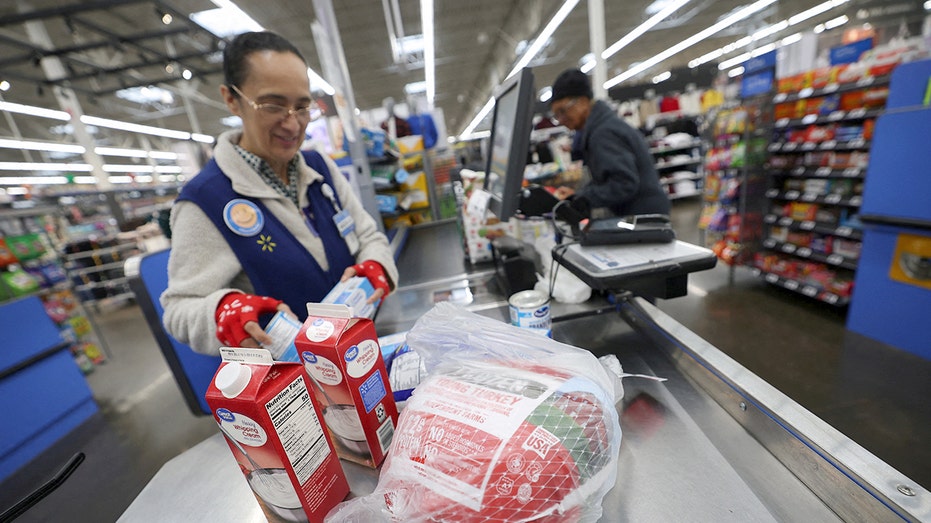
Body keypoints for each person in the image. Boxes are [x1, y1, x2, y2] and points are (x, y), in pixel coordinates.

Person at [161, 31, 398, 356]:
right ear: (231, 99)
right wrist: (223, 313)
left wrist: (377, 266)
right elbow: (179, 309)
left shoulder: (320, 170)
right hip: (291, 391)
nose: (293, 124)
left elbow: (370, 236)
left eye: (303, 107)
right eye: (273, 106)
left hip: (360, 356)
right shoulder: (206, 201)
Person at [549, 68, 671, 218]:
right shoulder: (604, 125)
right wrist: (578, 194)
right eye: (556, 115)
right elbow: (609, 178)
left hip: (643, 220)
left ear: (582, 102)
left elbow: (624, 184)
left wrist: (583, 198)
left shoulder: (603, 133)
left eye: (562, 111)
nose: (561, 119)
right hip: (645, 214)